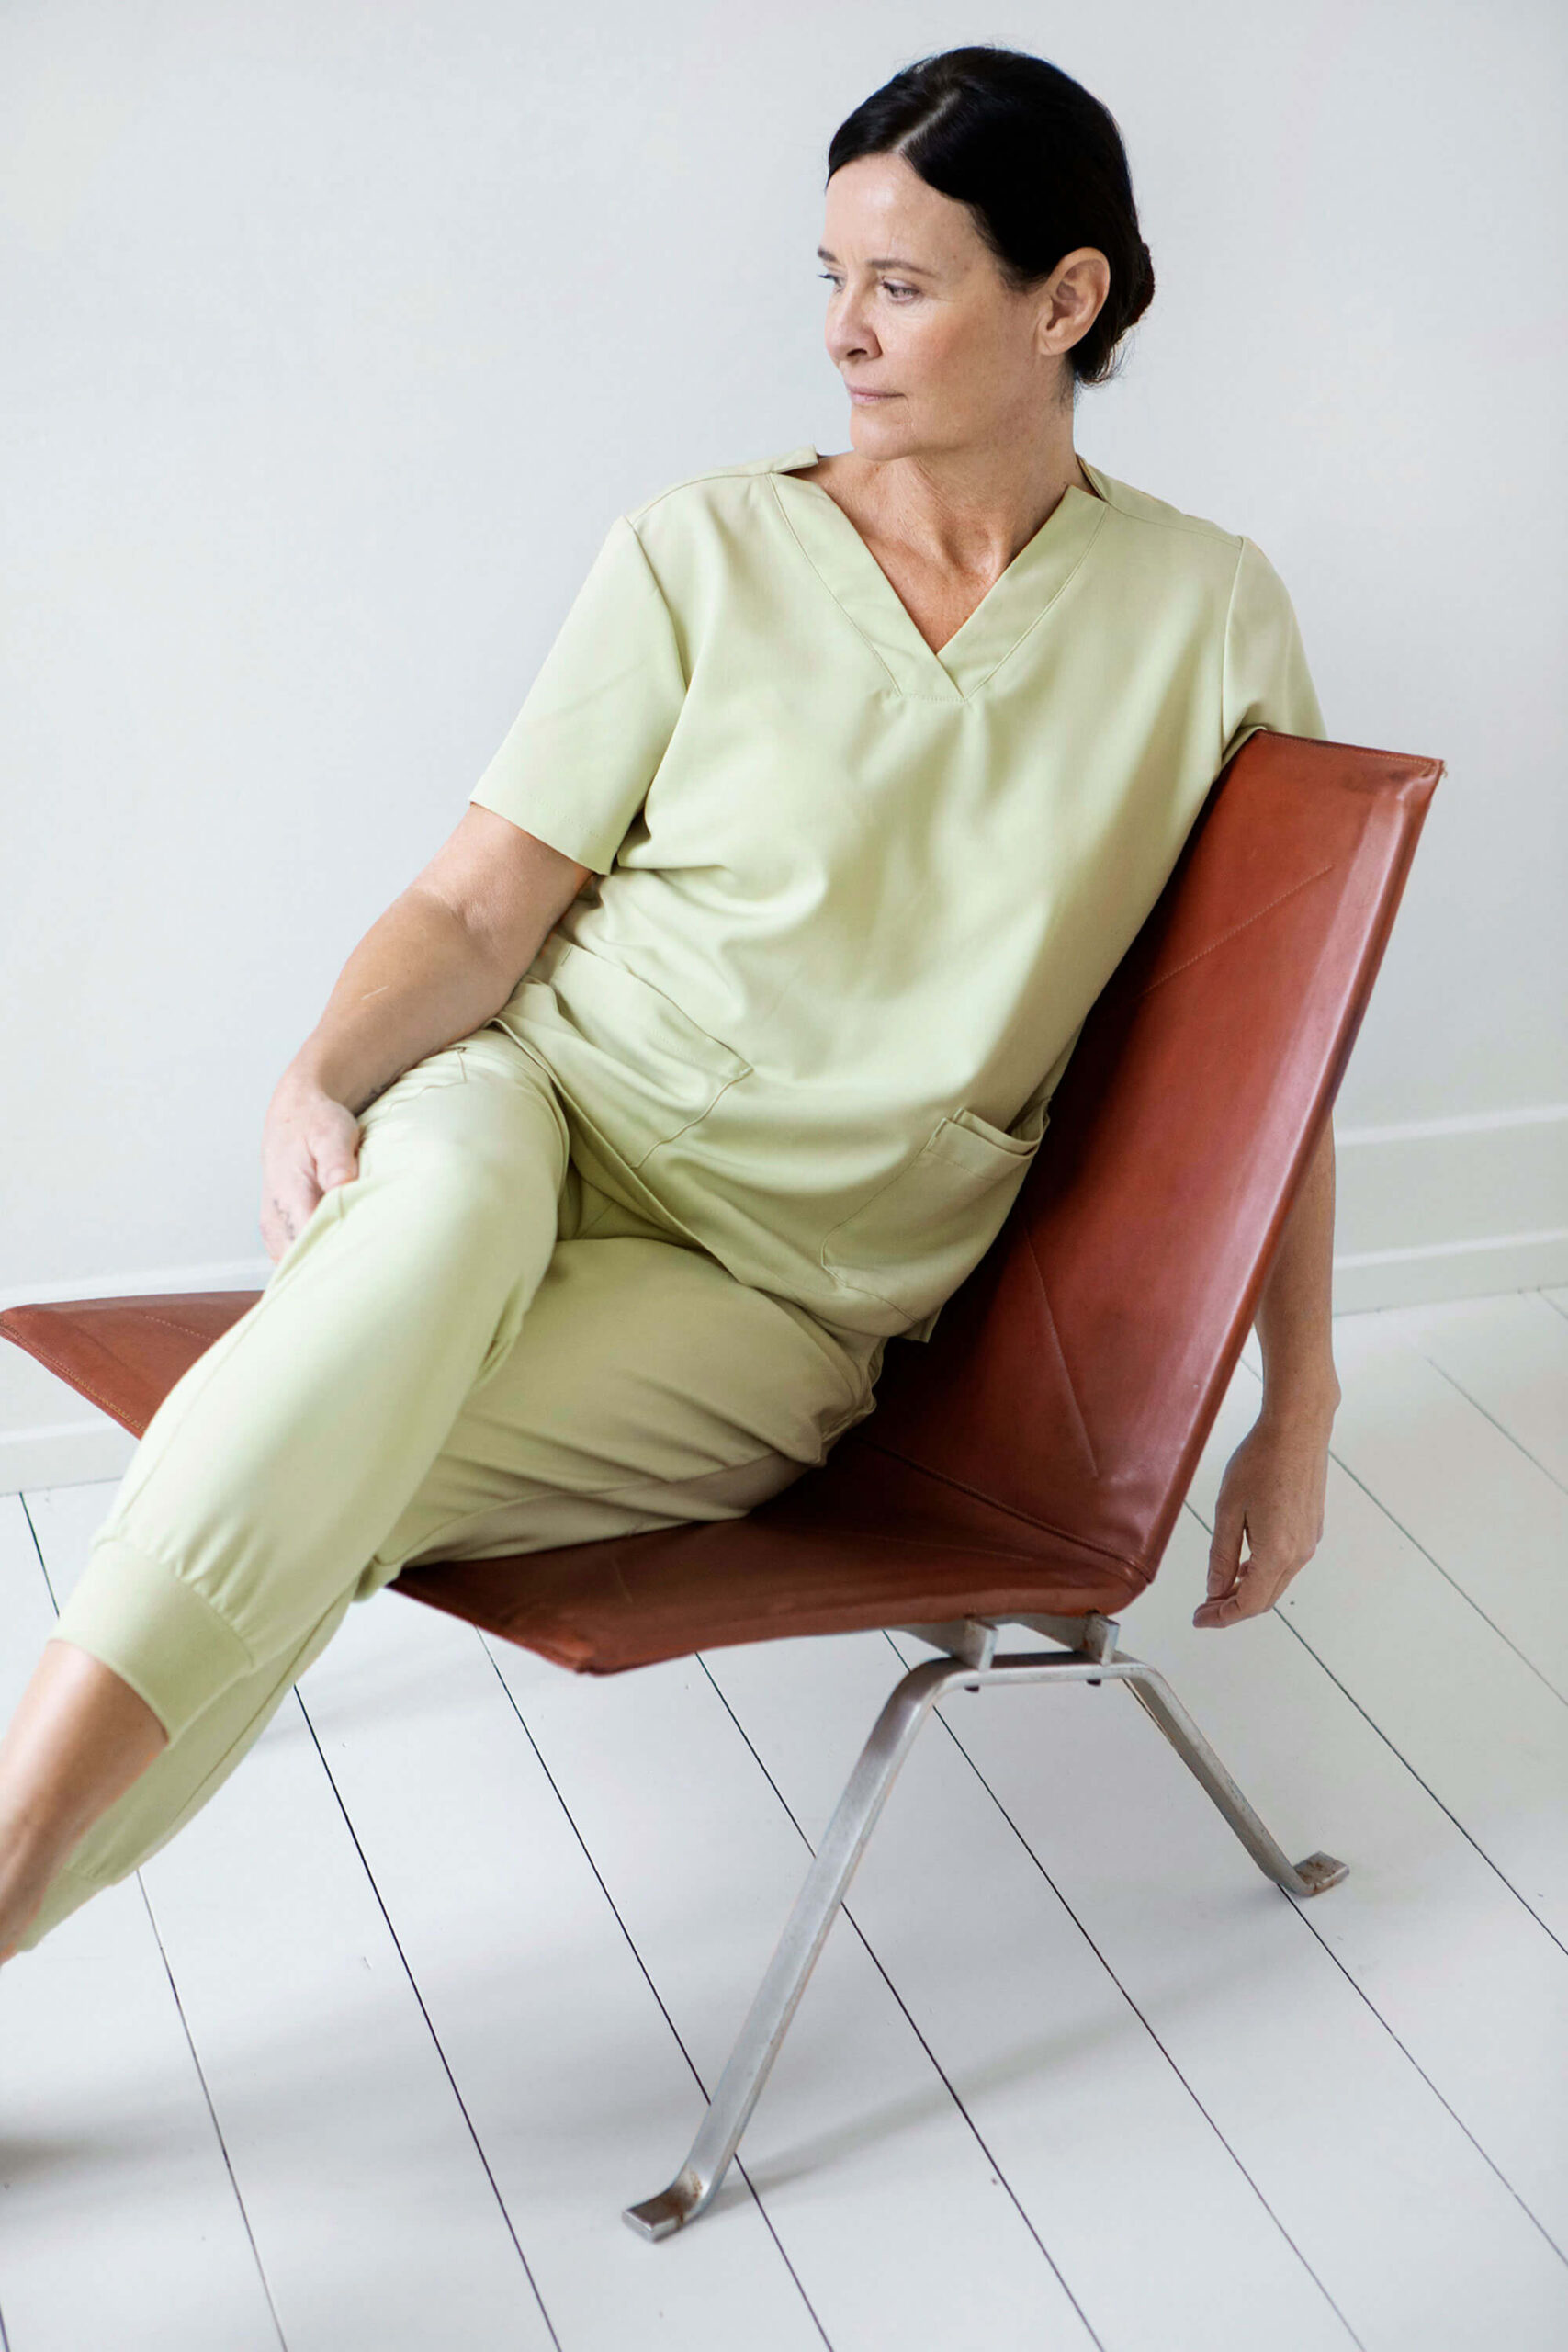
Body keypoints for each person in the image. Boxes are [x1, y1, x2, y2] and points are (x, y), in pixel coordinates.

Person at [0, 44, 1341, 1966]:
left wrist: (1299, 1398)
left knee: (301, 1454)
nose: (842, 333)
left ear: (1066, 299)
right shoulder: (700, 548)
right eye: (829, 277)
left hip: (785, 1293)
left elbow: (1273, 1068)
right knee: (392, 1292)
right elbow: (478, 900)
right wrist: (320, 1074)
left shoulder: (1205, 617)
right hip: (533, 1107)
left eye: (900, 284)